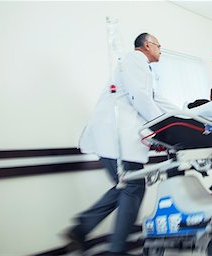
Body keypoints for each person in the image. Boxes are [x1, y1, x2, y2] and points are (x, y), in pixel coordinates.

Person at [66, 33, 177, 255]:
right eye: (158, 45)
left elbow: (155, 98)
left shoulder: (141, 68)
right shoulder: (135, 60)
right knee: (133, 186)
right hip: (116, 139)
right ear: (147, 45)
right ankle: (114, 249)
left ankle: (82, 228)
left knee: (126, 187)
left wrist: (183, 115)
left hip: (114, 140)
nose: (160, 49)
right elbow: (141, 97)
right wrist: (163, 128)